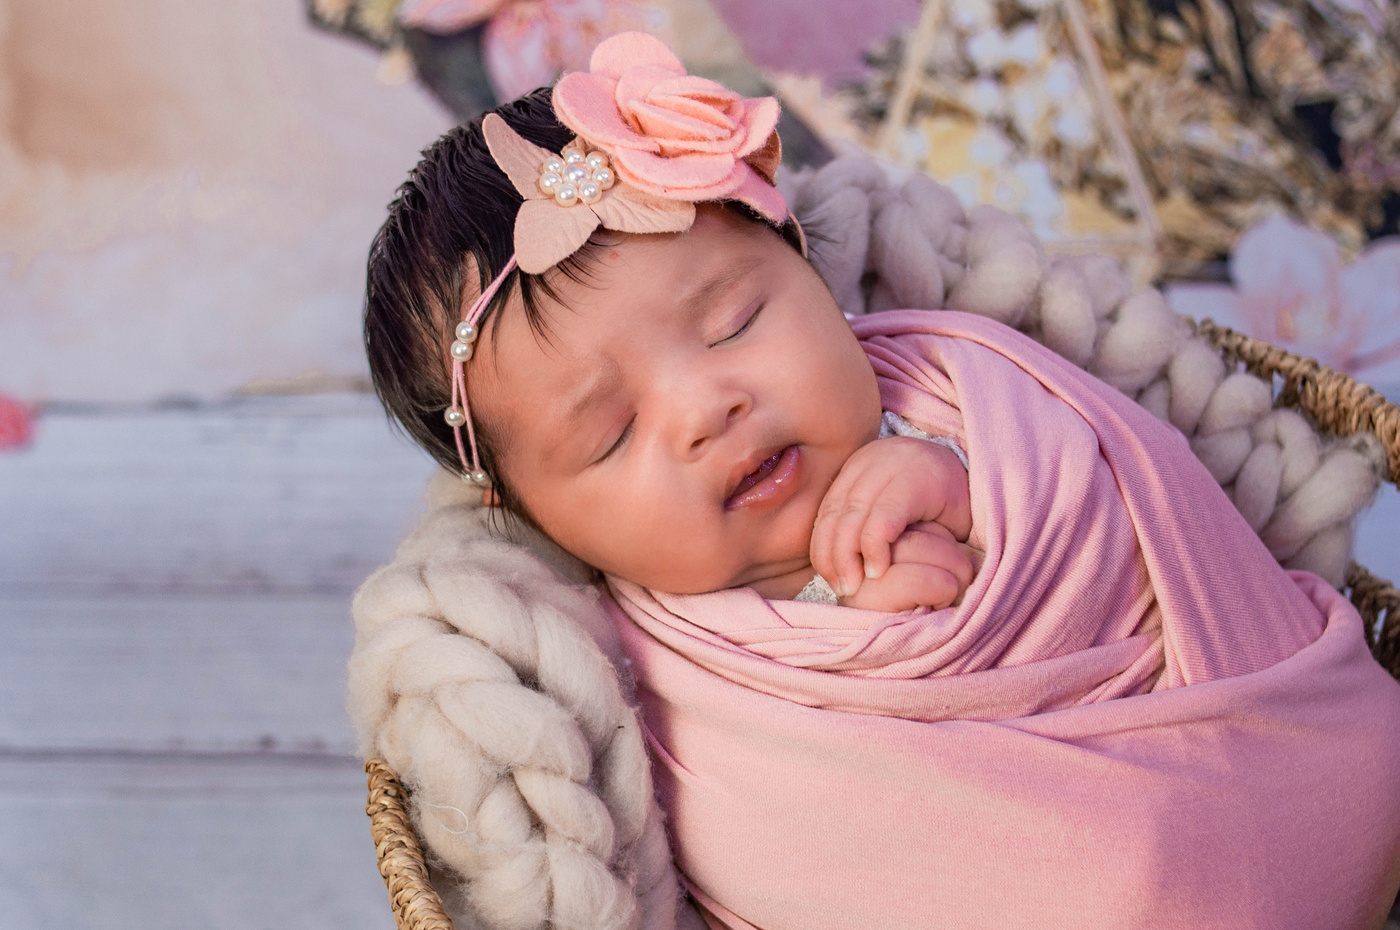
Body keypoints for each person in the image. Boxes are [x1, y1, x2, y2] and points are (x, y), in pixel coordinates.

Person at [362, 32, 1400, 930]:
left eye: (733, 322)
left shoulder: (956, 385)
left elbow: (1140, 502)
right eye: (613, 433)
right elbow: (775, 848)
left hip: (1287, 772)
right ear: (535, 517)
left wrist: (969, 490)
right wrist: (866, 628)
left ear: (809, 269)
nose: (707, 409)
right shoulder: (648, 682)